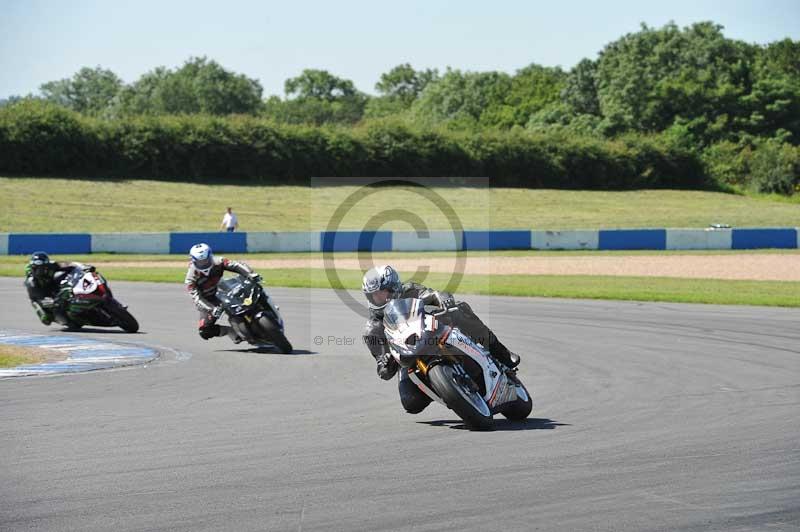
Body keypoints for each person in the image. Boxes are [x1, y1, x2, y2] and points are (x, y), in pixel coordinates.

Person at [361, 264, 520, 414]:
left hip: (431, 331)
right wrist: (386, 365)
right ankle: (446, 389)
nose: (378, 298)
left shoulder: (410, 290)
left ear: (393, 287)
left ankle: (502, 353)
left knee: (460, 309)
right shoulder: (372, 330)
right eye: (373, 296)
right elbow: (382, 368)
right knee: (411, 403)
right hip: (407, 357)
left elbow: (432, 295)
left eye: (382, 292)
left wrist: (443, 299)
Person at [185, 243, 261, 342]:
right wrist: (211, 308)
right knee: (204, 331)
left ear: (210, 256)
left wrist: (250, 274)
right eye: (200, 262)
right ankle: (231, 332)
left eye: (206, 260)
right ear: (193, 260)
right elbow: (196, 298)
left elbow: (236, 265)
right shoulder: (191, 278)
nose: (203, 264)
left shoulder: (219, 261)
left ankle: (264, 309)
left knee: (253, 288)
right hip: (209, 300)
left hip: (225, 288)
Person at [24, 251, 93, 325]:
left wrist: (83, 267)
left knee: (66, 277)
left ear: (47, 266)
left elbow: (70, 264)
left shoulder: (52, 265)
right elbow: (41, 300)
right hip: (40, 295)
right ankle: (63, 318)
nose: (39, 271)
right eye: (35, 269)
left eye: (42, 268)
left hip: (51, 284)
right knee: (46, 319)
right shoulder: (31, 283)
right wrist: (53, 301)